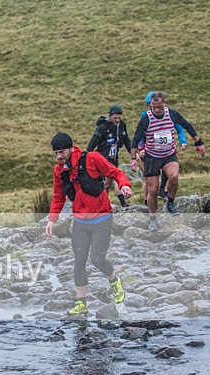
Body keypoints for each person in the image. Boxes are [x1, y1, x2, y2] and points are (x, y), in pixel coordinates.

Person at [45, 132, 133, 317]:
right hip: (80, 222)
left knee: (97, 259)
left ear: (70, 148)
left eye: (61, 152)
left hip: (102, 219)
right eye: (55, 153)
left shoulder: (91, 159)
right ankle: (81, 304)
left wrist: (124, 185)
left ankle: (114, 281)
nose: (59, 157)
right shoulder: (58, 171)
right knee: (79, 262)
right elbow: (58, 196)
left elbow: (115, 172)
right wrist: (52, 220)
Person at [131, 91, 204, 227]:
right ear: (150, 106)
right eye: (154, 107)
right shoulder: (146, 118)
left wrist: (198, 143)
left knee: (174, 177)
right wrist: (133, 158)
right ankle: (153, 219)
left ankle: (170, 201)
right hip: (152, 156)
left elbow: (187, 126)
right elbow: (135, 139)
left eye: (159, 107)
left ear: (164, 104)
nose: (157, 110)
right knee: (153, 189)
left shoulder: (172, 114)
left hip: (169, 154)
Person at [139, 91, 189, 203]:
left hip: (166, 151)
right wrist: (141, 148)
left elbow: (179, 127)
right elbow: (140, 134)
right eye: (150, 106)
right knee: (148, 179)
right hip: (149, 152)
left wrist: (183, 141)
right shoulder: (145, 116)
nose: (153, 109)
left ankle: (165, 195)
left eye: (157, 107)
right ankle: (146, 201)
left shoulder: (168, 115)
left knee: (170, 175)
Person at [86, 105, 132, 207]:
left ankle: (114, 203)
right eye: (115, 118)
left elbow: (127, 141)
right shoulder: (103, 127)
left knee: (112, 179)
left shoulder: (122, 126)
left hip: (113, 158)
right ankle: (102, 204)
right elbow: (92, 144)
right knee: (105, 184)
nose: (117, 120)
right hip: (102, 158)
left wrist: (133, 154)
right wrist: (86, 157)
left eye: (119, 118)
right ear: (110, 116)